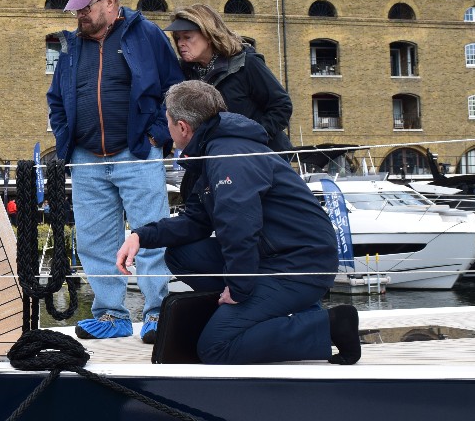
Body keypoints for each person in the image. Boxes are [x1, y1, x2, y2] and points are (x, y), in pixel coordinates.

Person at [116, 81, 361, 365]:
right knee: (181, 255)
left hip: (301, 264)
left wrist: (239, 287)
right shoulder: (210, 151)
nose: (166, 127)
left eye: (167, 121)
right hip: (273, 255)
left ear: (182, 127)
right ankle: (261, 313)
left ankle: (328, 325)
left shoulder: (228, 156)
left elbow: (239, 225)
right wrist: (141, 236)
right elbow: (196, 222)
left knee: (215, 348)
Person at [47, 0, 184, 343]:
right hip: (86, 156)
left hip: (137, 153)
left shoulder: (147, 34)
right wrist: (65, 141)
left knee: (151, 233)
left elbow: (175, 88)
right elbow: (56, 97)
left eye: (85, 8)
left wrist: (157, 136)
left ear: (110, 1)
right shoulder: (70, 45)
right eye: (75, 9)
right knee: (94, 240)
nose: (79, 16)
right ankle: (110, 314)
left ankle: (158, 312)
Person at [164, 4, 293, 153]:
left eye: (187, 37)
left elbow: (282, 106)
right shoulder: (185, 71)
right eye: (178, 37)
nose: (180, 43)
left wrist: (253, 137)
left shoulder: (247, 63)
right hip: (218, 155)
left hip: (263, 154)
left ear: (209, 36)